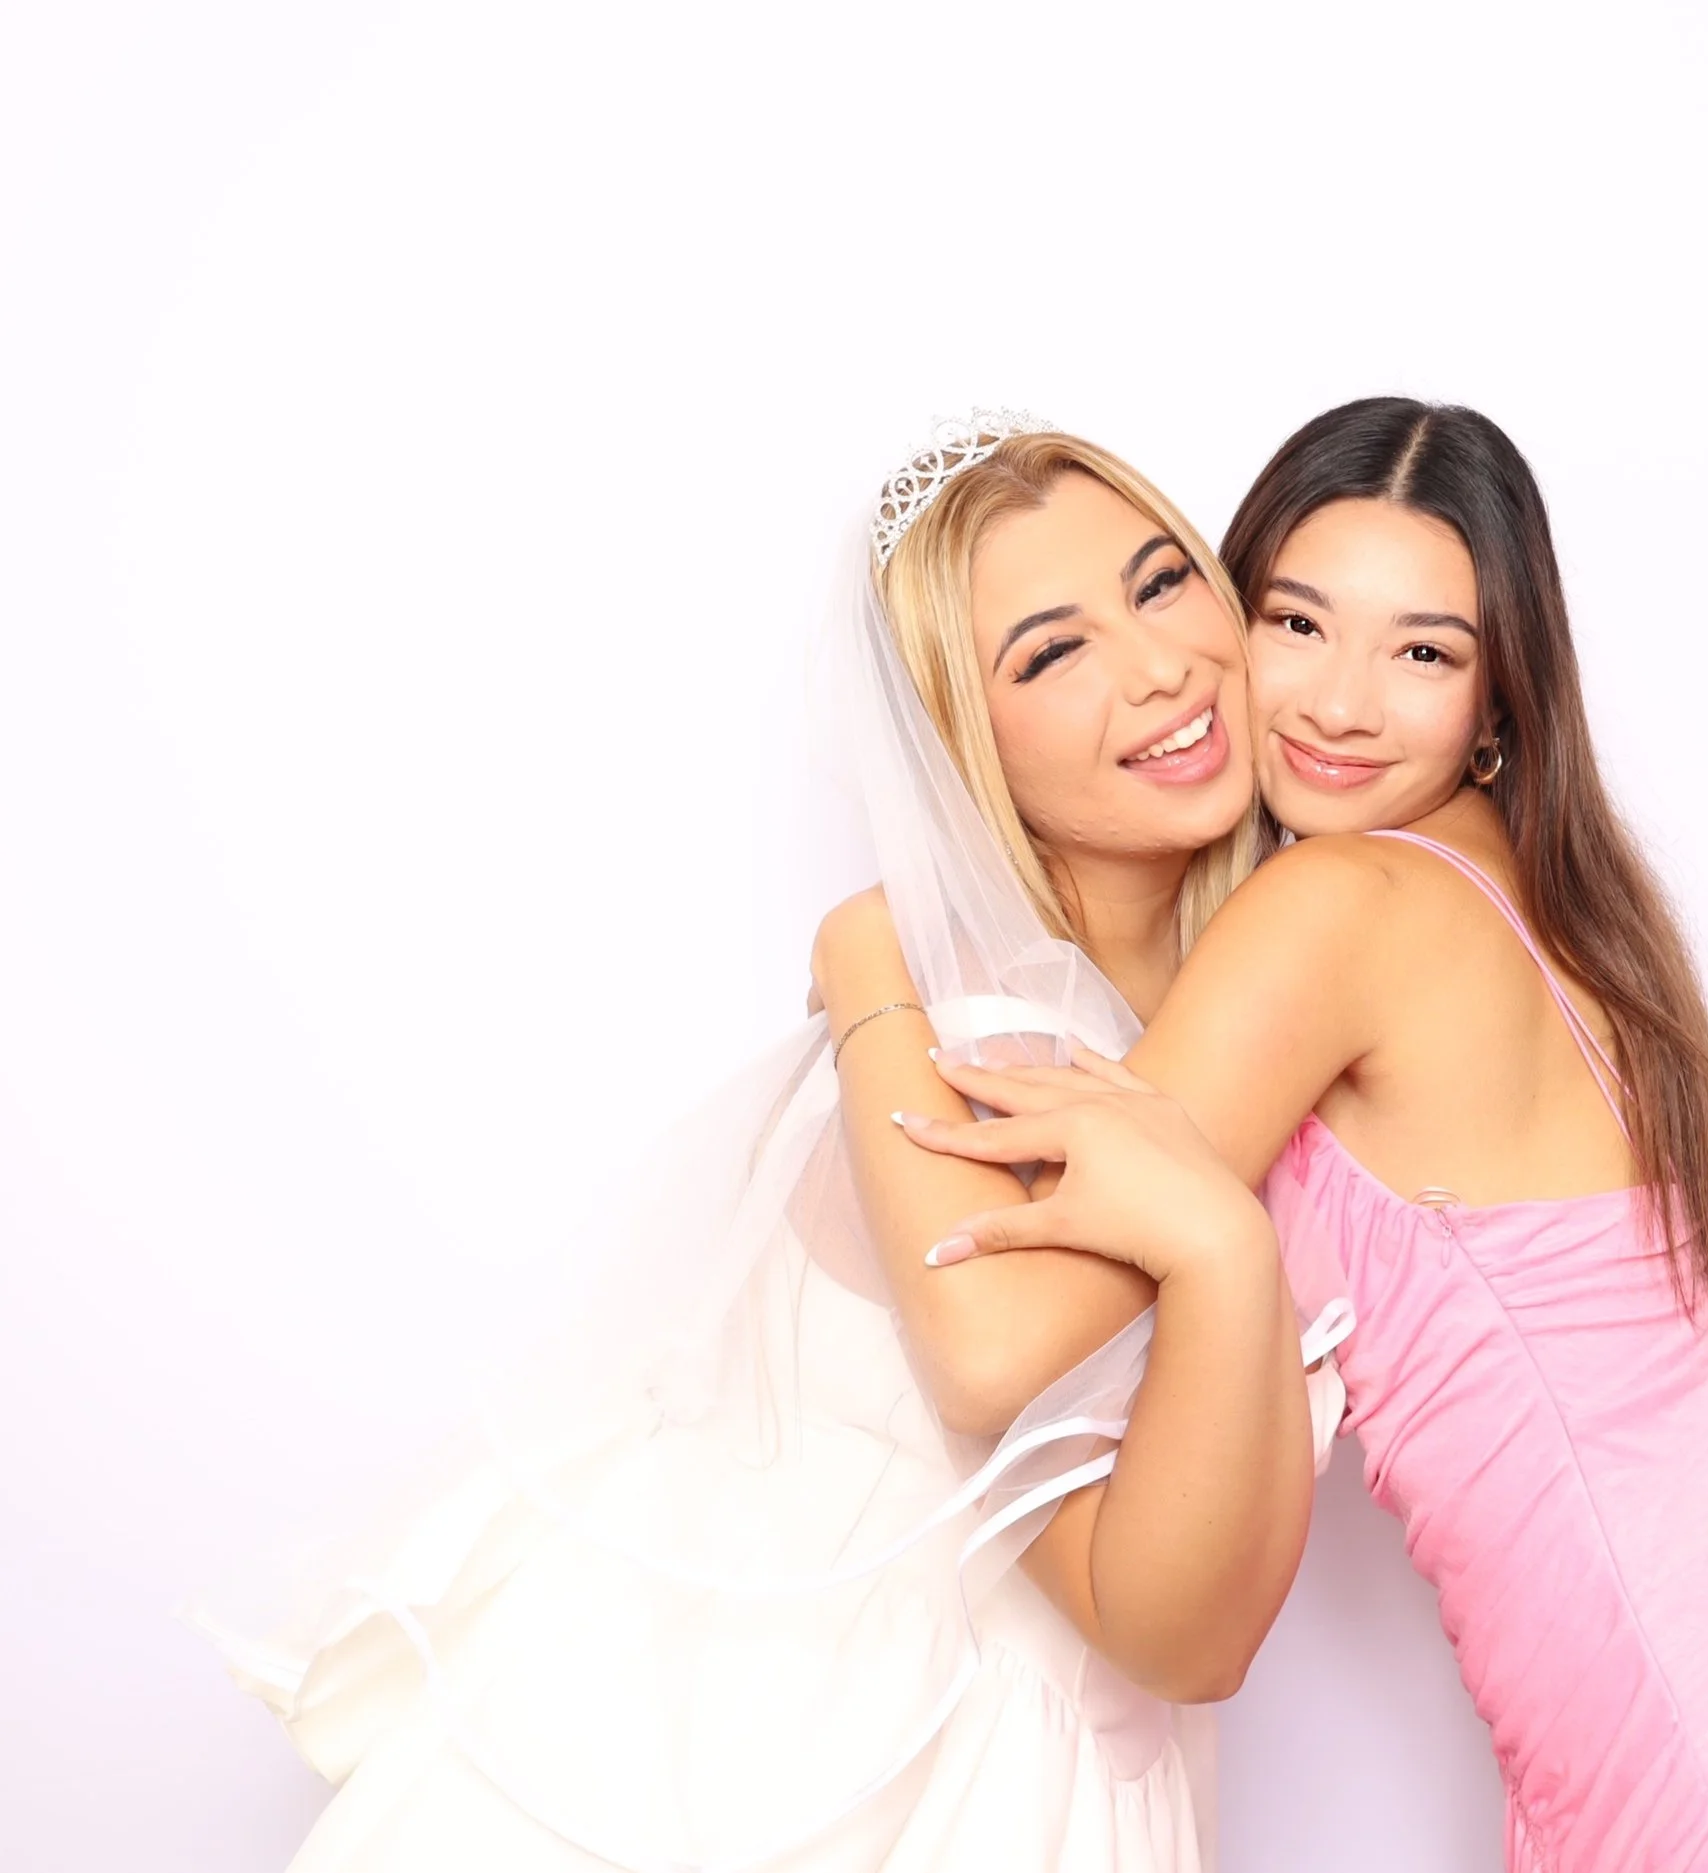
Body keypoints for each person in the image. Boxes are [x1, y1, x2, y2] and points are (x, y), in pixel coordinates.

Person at [189, 414, 1351, 1872]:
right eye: (1050, 653)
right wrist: (873, 960)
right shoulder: (980, 1035)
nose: (1163, 666)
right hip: (795, 1764)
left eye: (1166, 582)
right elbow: (1008, 1381)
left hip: (1062, 1755)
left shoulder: (1260, 1012)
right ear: (956, 736)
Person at [896, 398, 1708, 1873]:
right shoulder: (1534, 898)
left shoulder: (1341, 911)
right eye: (1298, 624)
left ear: (1499, 703)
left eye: (1423, 652)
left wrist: (864, 963)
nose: (1341, 704)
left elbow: (1000, 1331)